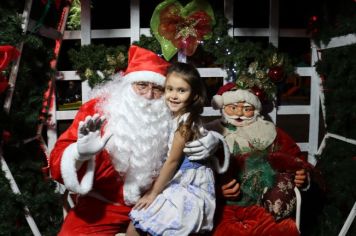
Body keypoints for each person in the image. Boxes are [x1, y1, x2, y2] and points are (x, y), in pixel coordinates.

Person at [49, 46, 220, 235]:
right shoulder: (101, 109)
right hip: (105, 205)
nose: (148, 95)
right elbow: (57, 166)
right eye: (142, 85)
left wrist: (215, 143)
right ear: (127, 85)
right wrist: (79, 154)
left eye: (157, 88)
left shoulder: (169, 112)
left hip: (158, 201)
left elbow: (193, 130)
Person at [127, 62, 229, 236]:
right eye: (170, 89)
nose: (174, 96)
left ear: (194, 95)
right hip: (179, 180)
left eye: (181, 90)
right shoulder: (176, 115)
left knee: (141, 225)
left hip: (189, 186)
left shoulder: (185, 122)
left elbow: (172, 161)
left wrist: (153, 193)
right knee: (136, 226)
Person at [206, 82, 313, 236]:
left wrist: (302, 176)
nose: (240, 114)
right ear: (223, 107)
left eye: (247, 109)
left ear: (255, 110)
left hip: (263, 205)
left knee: (285, 230)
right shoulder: (210, 133)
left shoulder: (270, 131)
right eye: (233, 107)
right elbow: (192, 172)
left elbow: (296, 159)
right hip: (222, 206)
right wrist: (214, 190)